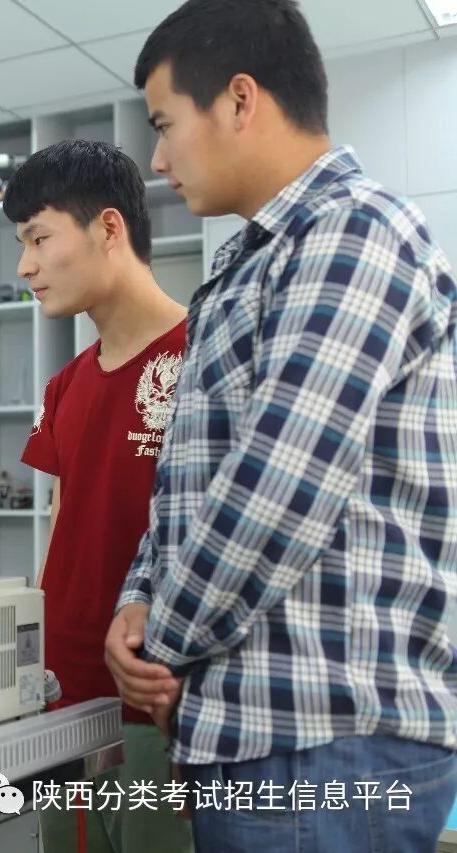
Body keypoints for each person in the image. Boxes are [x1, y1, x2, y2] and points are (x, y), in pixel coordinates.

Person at [103, 2, 457, 851]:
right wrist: (138, 597)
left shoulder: (353, 231)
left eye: (164, 124)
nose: (158, 158)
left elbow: (278, 487)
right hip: (261, 733)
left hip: (325, 738)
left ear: (239, 99)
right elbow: (191, 482)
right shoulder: (245, 265)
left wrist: (160, 644)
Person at [10, 140, 192, 853]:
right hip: (64, 693)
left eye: (39, 238)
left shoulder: (204, 359)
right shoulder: (65, 385)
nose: (25, 266)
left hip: (161, 694)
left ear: (108, 227)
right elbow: (61, 527)